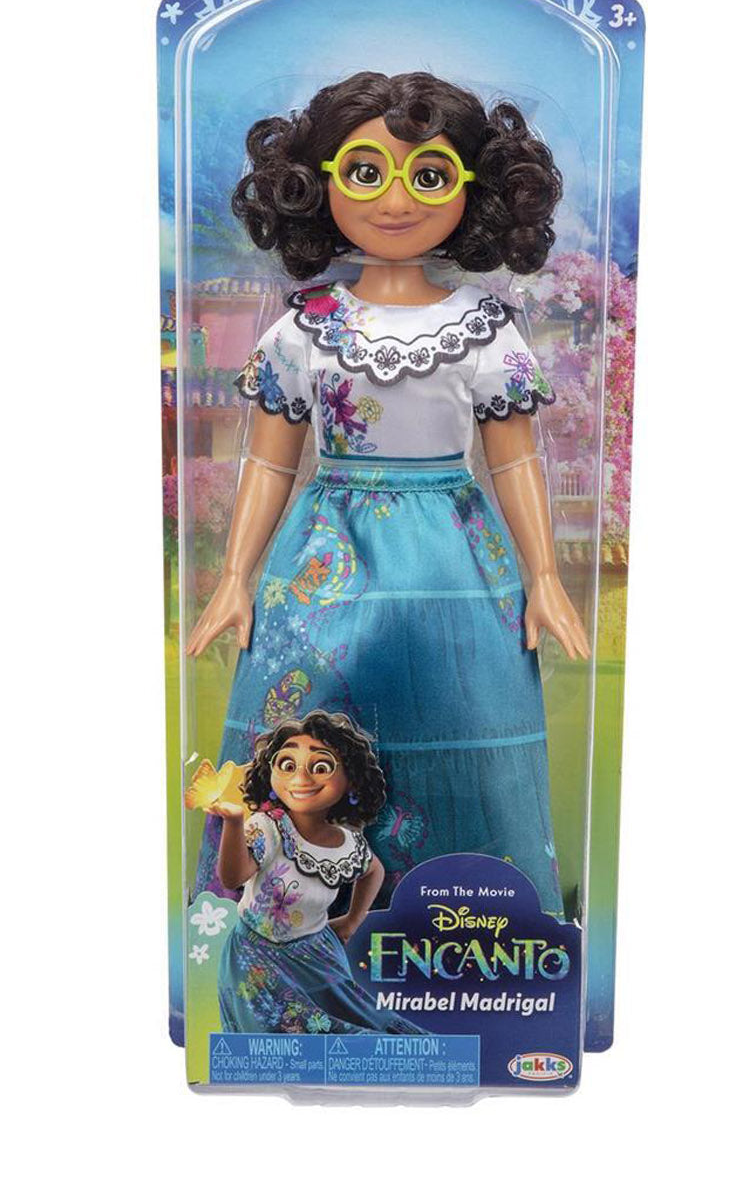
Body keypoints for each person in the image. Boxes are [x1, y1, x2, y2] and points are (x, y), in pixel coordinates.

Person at [188, 71, 590, 916]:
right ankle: (293, 909)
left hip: (452, 551)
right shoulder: (306, 327)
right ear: (315, 184)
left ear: (477, 190)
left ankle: (473, 911)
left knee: (464, 714)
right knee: (310, 712)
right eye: (365, 173)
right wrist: (233, 578)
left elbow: (515, 460)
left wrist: (545, 577)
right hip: (326, 547)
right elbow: (268, 462)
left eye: (429, 175)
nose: (396, 200)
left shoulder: (481, 327)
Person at [207, 710, 422, 1035]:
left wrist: (352, 920)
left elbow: (373, 871)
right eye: (287, 765)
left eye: (320, 767)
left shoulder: (347, 842)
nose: (301, 778)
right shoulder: (268, 828)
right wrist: (234, 823)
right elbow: (233, 877)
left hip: (316, 954)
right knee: (276, 1032)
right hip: (255, 955)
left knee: (358, 1019)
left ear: (351, 778)